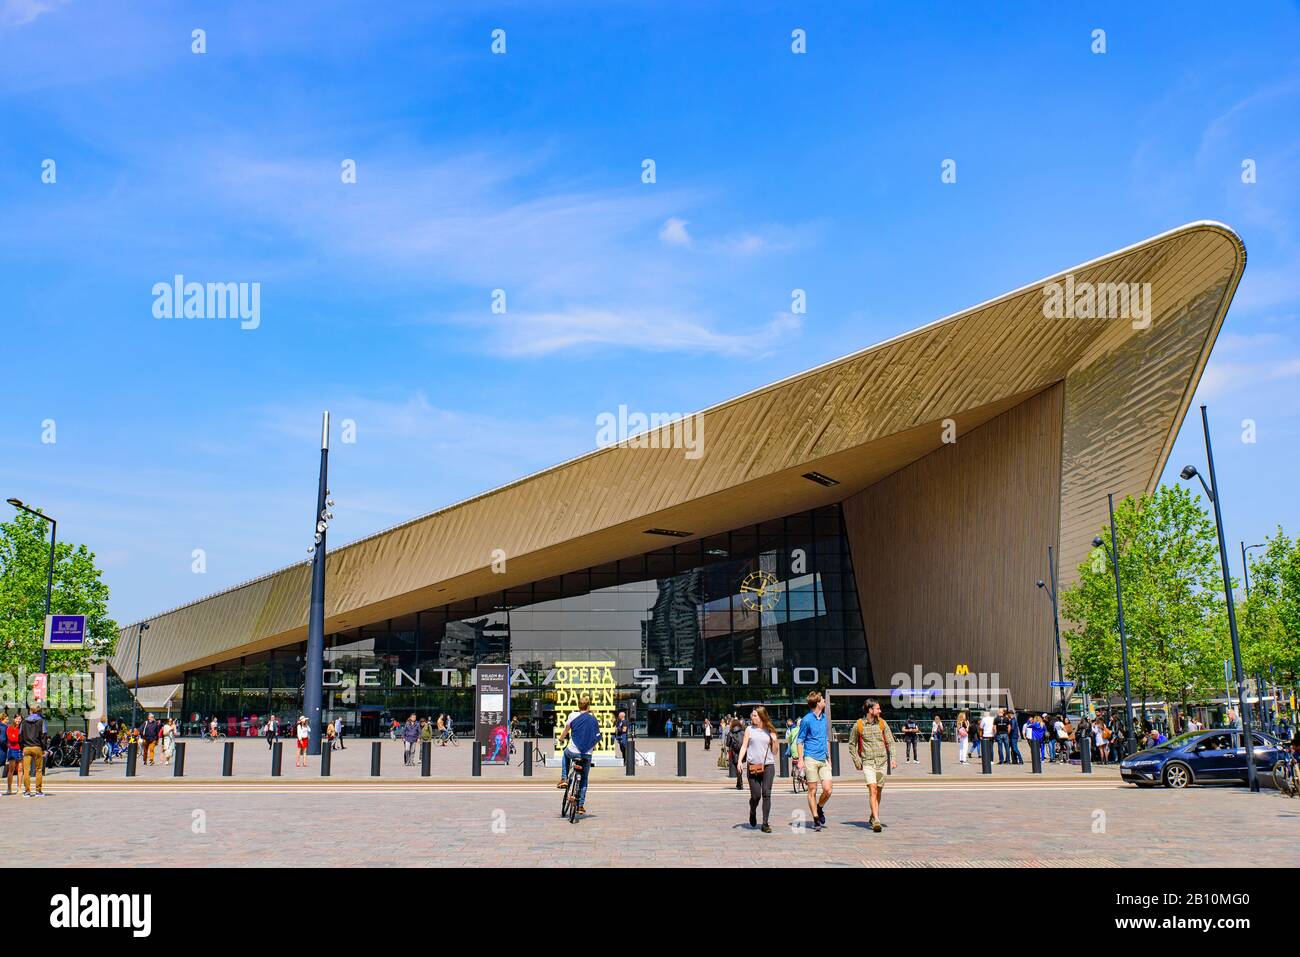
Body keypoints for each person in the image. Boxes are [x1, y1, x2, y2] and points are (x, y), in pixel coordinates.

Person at [849, 699, 897, 832]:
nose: (880, 711)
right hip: (868, 762)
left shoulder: (882, 723)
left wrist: (893, 759)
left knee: (879, 791)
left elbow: (891, 741)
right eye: (877, 709)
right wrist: (856, 761)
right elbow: (851, 744)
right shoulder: (858, 725)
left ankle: (872, 815)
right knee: (873, 789)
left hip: (882, 762)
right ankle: (876, 820)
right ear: (870, 710)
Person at [556, 694, 600, 815]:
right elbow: (596, 736)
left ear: (578, 705)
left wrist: (561, 738)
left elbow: (566, 730)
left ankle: (564, 778)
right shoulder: (593, 718)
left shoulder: (572, 715)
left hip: (573, 751)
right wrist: (593, 747)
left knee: (565, 754)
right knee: (584, 779)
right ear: (589, 706)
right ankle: (580, 806)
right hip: (586, 753)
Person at [736, 706, 778, 832]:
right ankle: (752, 810)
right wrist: (739, 761)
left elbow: (775, 752)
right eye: (752, 715)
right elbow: (744, 746)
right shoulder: (749, 729)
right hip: (753, 766)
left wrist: (775, 741)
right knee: (756, 796)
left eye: (754, 715)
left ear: (761, 717)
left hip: (768, 765)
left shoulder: (770, 730)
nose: (752, 717)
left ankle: (765, 823)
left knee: (766, 793)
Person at [795, 691, 833, 830]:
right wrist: (800, 760)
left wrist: (829, 757)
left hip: (823, 758)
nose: (824, 701)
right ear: (818, 703)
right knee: (812, 789)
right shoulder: (806, 720)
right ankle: (816, 818)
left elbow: (826, 738)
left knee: (828, 790)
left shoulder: (824, 718)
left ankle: (819, 806)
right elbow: (800, 741)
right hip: (810, 757)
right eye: (823, 700)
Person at [20, 707, 47, 797]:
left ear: (30, 711)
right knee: (38, 770)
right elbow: (44, 735)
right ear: (39, 711)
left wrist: (22, 747)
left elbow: (20, 735)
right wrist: (44, 748)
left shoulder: (23, 722)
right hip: (37, 747)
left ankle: (27, 791)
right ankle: (38, 791)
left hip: (26, 747)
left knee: (26, 771)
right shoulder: (41, 721)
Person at [724, 719, 744, 790]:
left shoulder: (730, 733)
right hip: (742, 751)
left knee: (737, 767)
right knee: (740, 765)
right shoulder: (743, 732)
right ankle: (738, 783)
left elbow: (727, 744)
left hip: (734, 752)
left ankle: (740, 783)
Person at [5, 714, 22, 795]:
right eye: (17, 719)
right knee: (11, 770)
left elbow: (22, 739)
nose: (18, 720)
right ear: (14, 719)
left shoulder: (22, 728)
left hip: (20, 750)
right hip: (12, 750)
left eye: (20, 719)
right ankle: (9, 788)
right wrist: (19, 738)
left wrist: (17, 737)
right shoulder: (10, 728)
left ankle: (19, 788)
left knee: (20, 770)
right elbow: (12, 739)